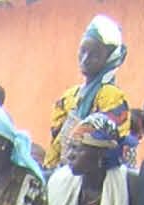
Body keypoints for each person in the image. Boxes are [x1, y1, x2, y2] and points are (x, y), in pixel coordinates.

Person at [45, 15, 133, 168]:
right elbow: (55, 145)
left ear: (110, 58)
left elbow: (113, 146)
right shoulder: (68, 97)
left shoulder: (111, 96)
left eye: (94, 54)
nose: (85, 59)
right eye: (83, 50)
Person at [41, 113, 131, 205]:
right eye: (69, 147)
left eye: (77, 148)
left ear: (100, 154)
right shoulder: (61, 180)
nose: (69, 155)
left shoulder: (126, 186)